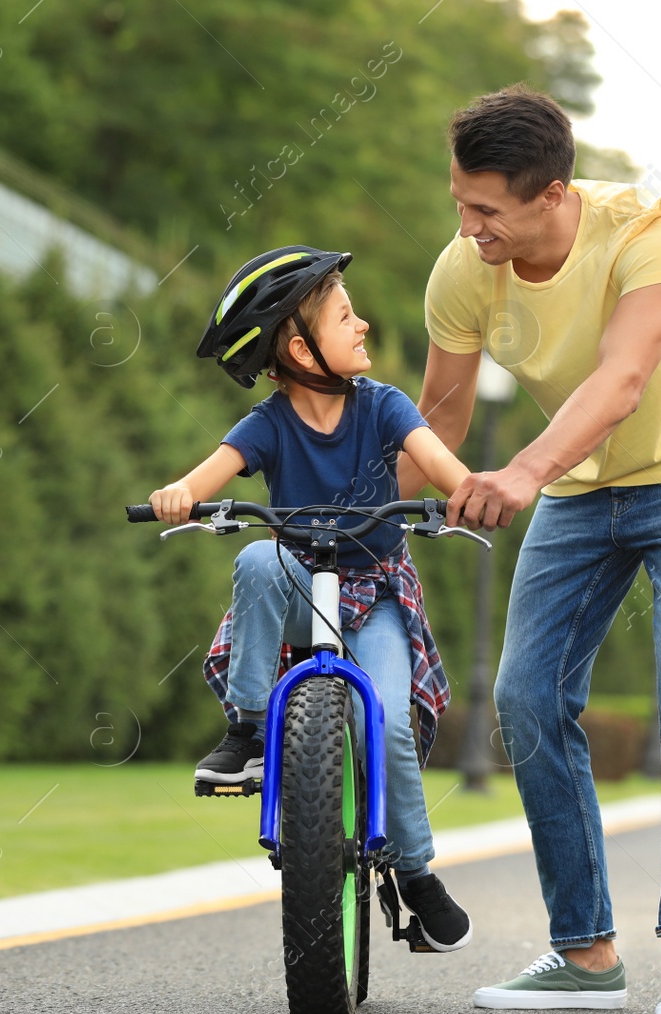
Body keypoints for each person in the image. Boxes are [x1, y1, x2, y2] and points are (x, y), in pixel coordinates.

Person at [410, 86, 661, 1014]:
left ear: (553, 194)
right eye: (459, 201)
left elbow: (624, 374)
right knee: (526, 695)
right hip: (579, 488)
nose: (468, 226)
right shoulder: (463, 270)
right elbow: (436, 421)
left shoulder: (651, 230)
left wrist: (522, 469)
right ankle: (585, 952)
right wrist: (353, 518)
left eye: (487, 209)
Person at [149, 246, 474, 951]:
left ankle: (416, 873)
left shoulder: (383, 406)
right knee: (258, 557)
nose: (363, 326)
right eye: (346, 315)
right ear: (300, 348)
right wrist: (180, 496)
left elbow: (440, 460)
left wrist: (468, 489)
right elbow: (207, 477)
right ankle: (248, 729)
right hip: (304, 586)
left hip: (378, 594)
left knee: (383, 722)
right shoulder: (268, 424)